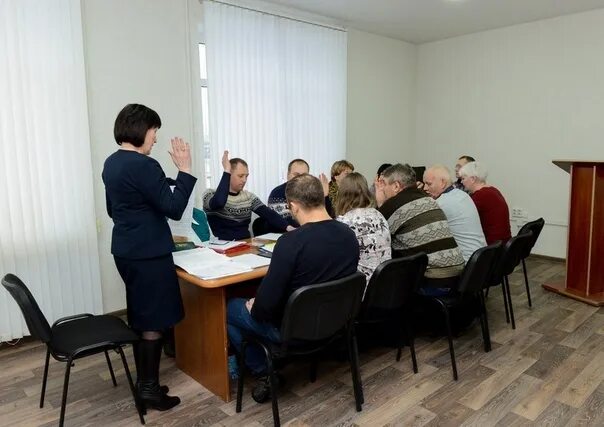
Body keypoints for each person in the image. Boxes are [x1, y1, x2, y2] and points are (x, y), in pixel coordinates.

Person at [227, 174, 360, 402]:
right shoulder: (349, 235)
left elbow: (264, 308)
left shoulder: (290, 243)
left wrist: (253, 307)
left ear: (294, 207)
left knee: (229, 309)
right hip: (335, 324)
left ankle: (264, 371)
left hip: (292, 331)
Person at [102, 104, 196, 411]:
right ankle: (148, 390)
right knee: (153, 322)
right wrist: (184, 170)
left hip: (126, 250)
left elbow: (112, 209)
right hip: (148, 254)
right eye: (155, 131)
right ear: (142, 129)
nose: (155, 139)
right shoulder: (144, 165)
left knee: (142, 318)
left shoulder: (112, 163)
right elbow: (173, 207)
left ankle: (147, 383)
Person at [375, 163, 464, 290]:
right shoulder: (429, 200)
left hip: (434, 279)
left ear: (396, 186)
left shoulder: (394, 205)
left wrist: (381, 203)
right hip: (459, 274)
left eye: (384, 184)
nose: (382, 189)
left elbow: (376, 236)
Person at [203, 151, 295, 240]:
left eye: (246, 176)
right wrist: (226, 171)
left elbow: (268, 213)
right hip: (221, 247)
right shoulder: (209, 194)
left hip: (245, 244)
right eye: (240, 176)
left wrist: (289, 227)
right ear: (229, 175)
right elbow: (219, 202)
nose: (244, 180)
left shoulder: (249, 197)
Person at [335, 172, 391, 295]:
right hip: (385, 286)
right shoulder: (378, 215)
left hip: (361, 291)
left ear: (342, 194)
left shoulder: (344, 222)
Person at [423, 165, 486, 262]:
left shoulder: (442, 203)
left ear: (443, 183)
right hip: (481, 259)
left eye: (429, 184)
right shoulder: (462, 194)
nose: (425, 188)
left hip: (465, 262)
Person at [459, 161, 512, 244]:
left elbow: (461, 219)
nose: (461, 182)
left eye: (463, 178)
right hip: (503, 244)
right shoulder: (493, 190)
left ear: (473, 179)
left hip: (492, 248)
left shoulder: (480, 196)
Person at [267, 159, 309, 226]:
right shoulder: (278, 193)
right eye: (296, 174)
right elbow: (287, 222)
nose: (300, 178)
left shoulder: (312, 192)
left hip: (310, 231)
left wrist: (324, 196)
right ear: (287, 175)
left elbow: (322, 218)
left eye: (304, 175)